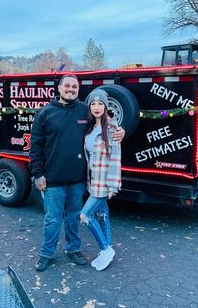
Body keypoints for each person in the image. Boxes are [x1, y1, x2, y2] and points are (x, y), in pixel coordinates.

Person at [29, 74, 125, 272]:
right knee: (53, 219)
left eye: (74, 87)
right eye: (67, 86)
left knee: (74, 217)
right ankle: (47, 253)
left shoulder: (84, 110)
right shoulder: (45, 113)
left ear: (78, 90)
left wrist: (121, 130)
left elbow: (106, 121)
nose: (71, 89)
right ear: (59, 88)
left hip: (78, 180)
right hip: (52, 180)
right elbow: (35, 146)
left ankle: (73, 250)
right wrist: (37, 174)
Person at [81, 89, 121, 271]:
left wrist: (113, 185)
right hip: (93, 182)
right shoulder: (89, 128)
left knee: (85, 215)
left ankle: (105, 249)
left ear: (106, 106)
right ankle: (108, 248)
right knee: (102, 216)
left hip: (103, 183)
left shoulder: (113, 129)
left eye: (100, 104)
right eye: (93, 104)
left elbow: (116, 159)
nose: (97, 107)